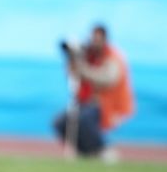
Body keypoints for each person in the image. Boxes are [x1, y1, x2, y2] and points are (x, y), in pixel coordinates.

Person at [53, 24, 135, 157]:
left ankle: (104, 149)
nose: (94, 42)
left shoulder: (113, 57)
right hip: (88, 102)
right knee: (61, 122)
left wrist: (83, 69)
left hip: (110, 105)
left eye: (97, 39)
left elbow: (107, 79)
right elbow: (73, 77)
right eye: (92, 38)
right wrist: (73, 59)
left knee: (84, 120)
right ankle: (85, 151)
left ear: (104, 39)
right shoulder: (89, 55)